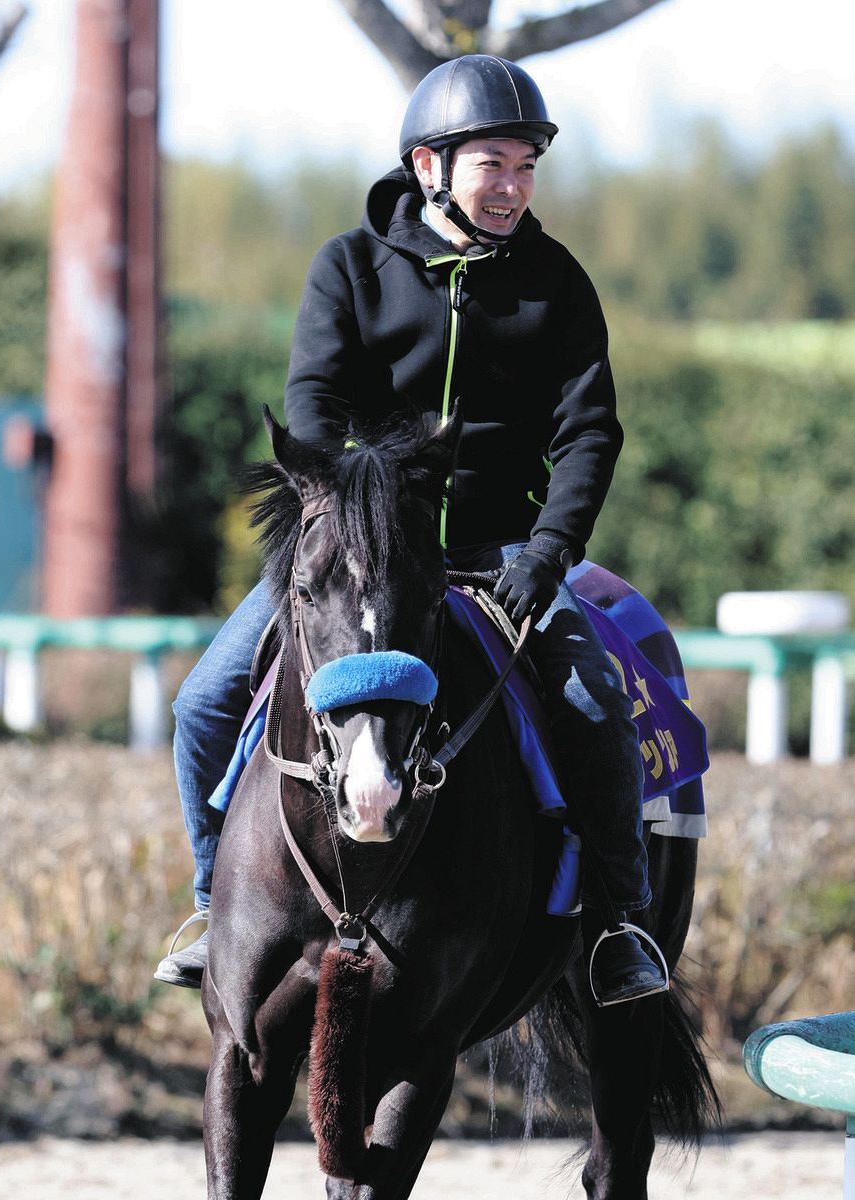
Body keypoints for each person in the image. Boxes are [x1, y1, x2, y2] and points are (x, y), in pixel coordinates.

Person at [155, 54, 667, 1006]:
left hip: (500, 556)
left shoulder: (557, 283)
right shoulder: (348, 268)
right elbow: (311, 403)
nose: (514, 187)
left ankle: (618, 928)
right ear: (431, 168)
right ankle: (207, 903)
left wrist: (549, 556)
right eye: (494, 166)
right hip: (360, 558)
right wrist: (338, 519)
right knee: (202, 703)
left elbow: (590, 433)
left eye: (526, 167)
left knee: (596, 705)